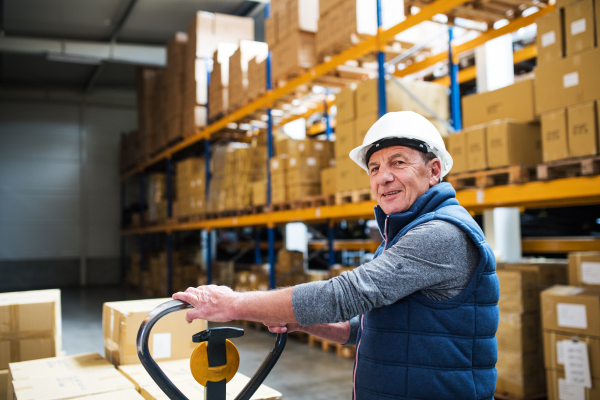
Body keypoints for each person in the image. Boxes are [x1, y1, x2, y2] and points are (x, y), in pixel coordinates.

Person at [174, 111, 499, 400]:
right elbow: (364, 328)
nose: (383, 177)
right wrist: (302, 322)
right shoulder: (401, 234)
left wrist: (232, 304)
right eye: (374, 168)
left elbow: (347, 294)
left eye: (398, 162)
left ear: (434, 171)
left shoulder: (440, 233)